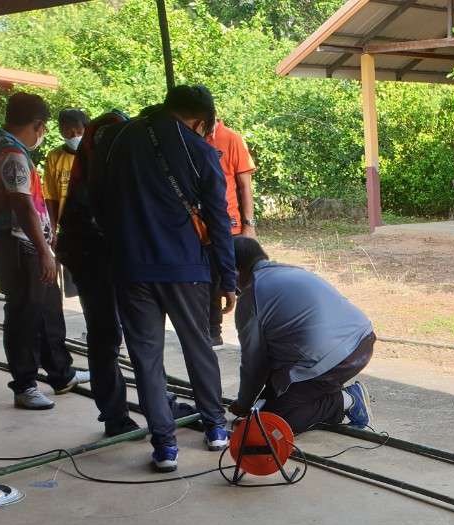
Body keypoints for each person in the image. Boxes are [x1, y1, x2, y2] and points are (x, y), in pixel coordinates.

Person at [98, 84, 235, 472]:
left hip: (131, 268)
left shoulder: (120, 139)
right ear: (199, 121)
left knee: (146, 358)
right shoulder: (199, 150)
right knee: (198, 346)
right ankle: (215, 427)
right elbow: (218, 218)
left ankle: (164, 446)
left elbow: (100, 201)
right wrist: (227, 277)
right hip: (185, 268)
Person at [0, 92, 89, 411]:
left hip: (29, 243)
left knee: (48, 310)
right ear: (39, 125)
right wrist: (44, 250)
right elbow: (22, 205)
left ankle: (61, 373)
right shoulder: (12, 154)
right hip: (20, 246)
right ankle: (25, 385)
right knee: (25, 316)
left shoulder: (3, 145)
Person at [227, 236, 374, 434]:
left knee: (270, 424)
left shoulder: (251, 295)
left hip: (337, 359)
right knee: (264, 407)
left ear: (235, 271)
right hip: (361, 340)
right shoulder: (289, 271)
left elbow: (254, 364)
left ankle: (347, 400)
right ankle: (322, 390)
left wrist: (244, 404)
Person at [55, 109, 138, 437]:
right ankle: (115, 414)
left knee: (118, 333)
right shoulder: (96, 178)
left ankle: (140, 407)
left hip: (101, 256)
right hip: (93, 258)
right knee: (107, 334)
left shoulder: (97, 168)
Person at [204, 117, 256, 346]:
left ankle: (256, 335)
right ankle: (213, 333)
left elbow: (245, 186)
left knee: (240, 281)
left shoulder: (231, 138)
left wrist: (249, 225)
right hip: (200, 227)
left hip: (231, 225)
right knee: (210, 282)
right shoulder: (189, 138)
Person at [41, 108, 87, 233]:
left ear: (86, 129)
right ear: (61, 131)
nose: (75, 136)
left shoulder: (95, 154)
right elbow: (50, 197)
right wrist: (53, 229)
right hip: (66, 227)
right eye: (69, 131)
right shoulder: (54, 156)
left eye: (79, 131)